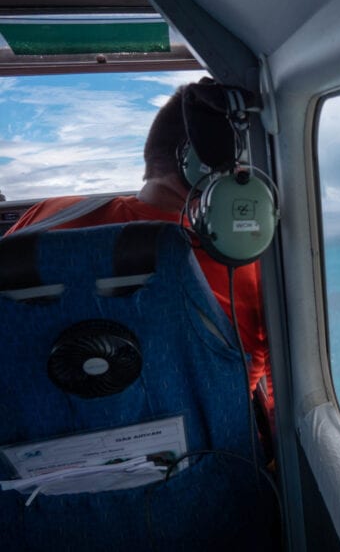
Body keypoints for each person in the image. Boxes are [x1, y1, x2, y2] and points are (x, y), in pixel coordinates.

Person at [5, 84, 274, 412]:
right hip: (211, 454)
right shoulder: (244, 263)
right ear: (202, 166)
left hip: (35, 451)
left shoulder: (48, 217)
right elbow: (279, 391)